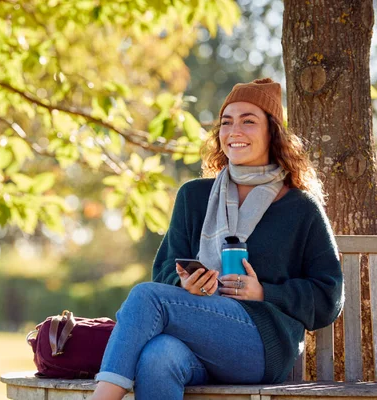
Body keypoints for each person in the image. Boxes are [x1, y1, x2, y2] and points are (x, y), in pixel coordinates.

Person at [90, 78, 344, 400]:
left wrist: (265, 292)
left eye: (248, 121)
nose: (234, 131)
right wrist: (185, 285)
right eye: (226, 122)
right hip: (197, 335)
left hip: (261, 345)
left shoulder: (300, 208)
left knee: (147, 297)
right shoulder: (194, 196)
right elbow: (165, 270)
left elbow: (328, 295)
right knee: (158, 356)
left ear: (273, 133)